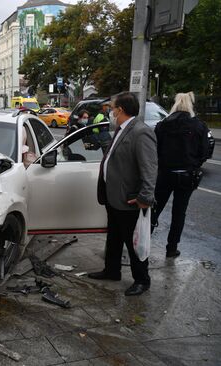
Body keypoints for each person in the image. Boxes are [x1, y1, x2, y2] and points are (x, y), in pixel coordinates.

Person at [89, 92, 158, 296]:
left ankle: (142, 280)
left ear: (120, 110)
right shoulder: (121, 129)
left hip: (130, 199)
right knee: (115, 237)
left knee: (133, 241)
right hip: (115, 197)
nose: (110, 111)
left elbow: (150, 168)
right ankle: (112, 270)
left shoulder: (140, 132)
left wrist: (145, 197)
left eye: (112, 107)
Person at [151, 92, 210, 258]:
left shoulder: (163, 125)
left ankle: (143, 241)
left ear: (175, 104)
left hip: (165, 174)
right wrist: (194, 164)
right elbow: (204, 152)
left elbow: (155, 149)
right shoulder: (198, 125)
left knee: (155, 208)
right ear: (190, 104)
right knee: (179, 213)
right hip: (187, 176)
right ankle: (171, 248)